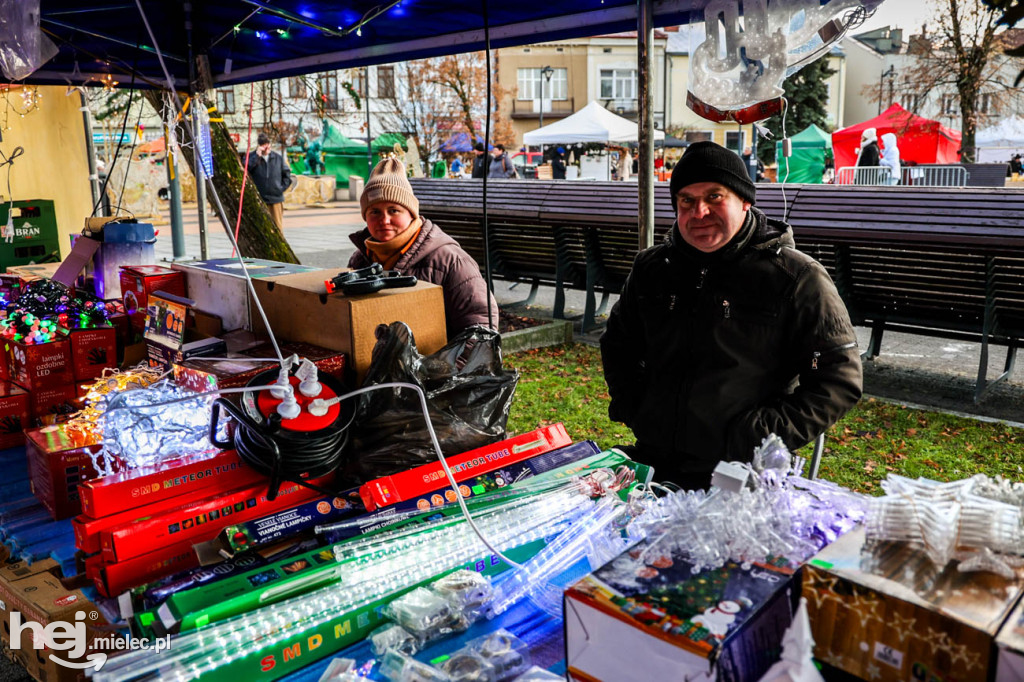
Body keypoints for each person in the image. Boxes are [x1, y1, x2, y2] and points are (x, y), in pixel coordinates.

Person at [600, 141, 863, 490]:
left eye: (714, 197)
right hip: (654, 462)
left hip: (739, 473)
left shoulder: (795, 277)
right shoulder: (653, 268)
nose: (699, 212)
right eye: (687, 201)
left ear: (745, 200)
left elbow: (838, 379)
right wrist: (635, 407)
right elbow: (618, 344)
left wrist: (758, 435)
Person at [348, 158, 498, 338]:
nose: (384, 220)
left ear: (411, 214)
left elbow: (481, 330)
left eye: (393, 210)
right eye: (375, 212)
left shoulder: (450, 261)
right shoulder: (360, 260)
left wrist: (442, 366)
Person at [246, 132, 292, 230]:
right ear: (259, 146)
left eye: (267, 144)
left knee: (277, 228)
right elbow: (246, 170)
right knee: (259, 228)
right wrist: (256, 157)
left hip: (275, 199)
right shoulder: (251, 157)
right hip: (258, 199)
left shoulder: (277, 158)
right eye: (263, 145)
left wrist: (280, 188)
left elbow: (287, 175)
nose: (266, 148)